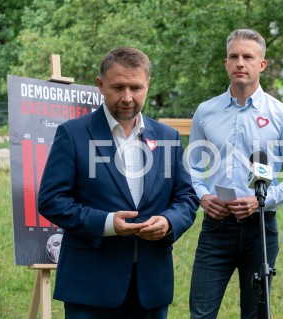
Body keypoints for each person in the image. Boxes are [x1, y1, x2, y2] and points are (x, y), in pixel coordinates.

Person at [38, 47, 199, 319]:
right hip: (90, 285)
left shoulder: (167, 137)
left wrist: (169, 222)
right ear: (100, 85)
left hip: (151, 286)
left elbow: (186, 197)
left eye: (136, 87)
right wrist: (108, 223)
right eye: (118, 87)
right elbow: (52, 200)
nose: (127, 97)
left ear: (148, 85)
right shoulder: (73, 134)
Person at [187, 29, 283, 318]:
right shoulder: (205, 112)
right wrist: (203, 196)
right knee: (201, 313)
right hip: (216, 227)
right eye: (234, 57)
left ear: (261, 64)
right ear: (225, 63)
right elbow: (191, 167)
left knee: (256, 313)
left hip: (260, 229)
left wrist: (264, 200)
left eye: (248, 57)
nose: (240, 63)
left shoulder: (282, 115)